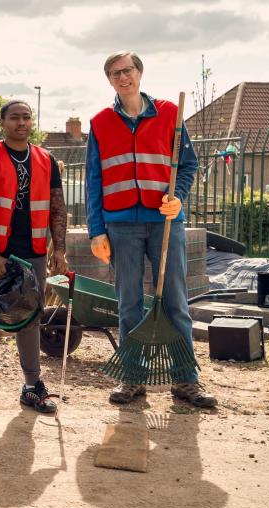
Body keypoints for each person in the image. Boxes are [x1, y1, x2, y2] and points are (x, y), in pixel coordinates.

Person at [87, 51, 215, 408]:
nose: (122, 77)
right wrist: (97, 230)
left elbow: (188, 165)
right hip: (120, 225)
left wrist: (178, 197)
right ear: (109, 80)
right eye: (114, 73)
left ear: (139, 73)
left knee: (175, 300)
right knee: (128, 302)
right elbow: (94, 181)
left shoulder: (170, 115)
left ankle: (186, 381)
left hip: (164, 222)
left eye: (127, 70)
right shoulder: (100, 123)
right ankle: (133, 379)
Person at [0, 100, 68, 415]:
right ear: (3, 122)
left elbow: (57, 207)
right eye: (14, 118)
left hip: (33, 250)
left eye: (26, 117)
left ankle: (32, 387)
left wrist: (59, 249)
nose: (21, 123)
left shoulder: (46, 160)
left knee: (29, 318)